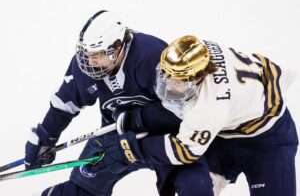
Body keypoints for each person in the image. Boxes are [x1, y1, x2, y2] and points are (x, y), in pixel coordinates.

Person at [25, 11, 213, 196]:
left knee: (196, 186)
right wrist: (46, 136)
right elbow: (65, 102)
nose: (89, 61)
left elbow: (182, 108)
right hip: (115, 136)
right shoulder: (87, 65)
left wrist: (138, 119)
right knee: (82, 190)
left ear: (117, 48)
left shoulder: (152, 56)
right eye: (86, 53)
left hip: (165, 136)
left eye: (97, 54)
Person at [97, 35, 298, 196]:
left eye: (178, 81)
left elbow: (184, 150)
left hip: (267, 140)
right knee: (197, 187)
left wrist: (131, 149)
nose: (169, 84)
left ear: (199, 77)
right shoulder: (193, 54)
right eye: (166, 74)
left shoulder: (209, 105)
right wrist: (138, 118)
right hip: (223, 131)